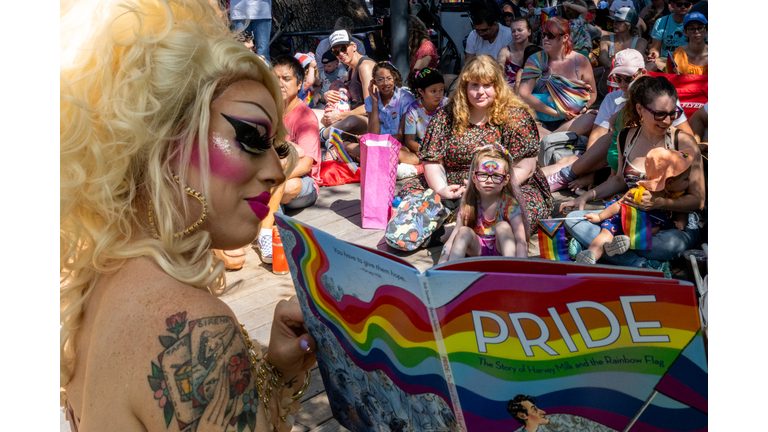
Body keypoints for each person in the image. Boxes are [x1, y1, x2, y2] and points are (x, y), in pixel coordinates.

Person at [60, 0, 316, 431]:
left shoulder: (98, 282)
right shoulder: (195, 332)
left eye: (279, 148)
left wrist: (280, 369)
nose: (277, 170)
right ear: (164, 141)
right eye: (252, 138)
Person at [560, 76, 704, 274]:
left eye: (673, 113)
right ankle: (642, 265)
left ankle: (597, 249)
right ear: (640, 110)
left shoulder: (684, 142)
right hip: (630, 219)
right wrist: (586, 196)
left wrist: (659, 203)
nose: (668, 121)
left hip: (671, 226)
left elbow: (698, 201)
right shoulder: (625, 136)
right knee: (573, 219)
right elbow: (620, 180)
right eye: (660, 114)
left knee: (670, 244)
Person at [398, 55, 553, 236]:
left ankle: (447, 233)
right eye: (474, 85)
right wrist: (441, 189)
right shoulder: (446, 116)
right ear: (465, 87)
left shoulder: (516, 117)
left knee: (521, 210)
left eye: (487, 85)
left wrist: (491, 188)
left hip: (505, 186)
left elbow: (526, 164)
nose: (481, 92)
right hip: (454, 186)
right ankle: (459, 226)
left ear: (498, 86)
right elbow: (432, 160)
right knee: (410, 193)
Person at [544, 49, 692, 193]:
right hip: (614, 159)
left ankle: (553, 178)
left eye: (628, 78)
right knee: (566, 162)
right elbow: (596, 135)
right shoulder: (612, 98)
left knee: (615, 136)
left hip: (647, 157)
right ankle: (529, 178)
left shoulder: (661, 99)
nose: (622, 84)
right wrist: (591, 172)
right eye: (617, 78)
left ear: (644, 73)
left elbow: (686, 137)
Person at [255, 55, 322, 264]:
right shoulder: (268, 109)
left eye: (286, 79)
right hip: (274, 177)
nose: (280, 84)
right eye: (275, 78)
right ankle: (273, 216)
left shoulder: (306, 117)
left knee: (284, 178)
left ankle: (265, 233)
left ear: (300, 84)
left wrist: (274, 175)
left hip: (304, 184)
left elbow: (306, 165)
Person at [574, 148, 693, 264]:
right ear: (670, 182)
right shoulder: (641, 193)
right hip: (626, 220)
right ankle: (591, 255)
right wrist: (600, 217)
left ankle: (621, 244)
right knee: (606, 233)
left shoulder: (674, 195)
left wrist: (680, 221)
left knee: (654, 232)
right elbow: (619, 205)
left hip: (646, 228)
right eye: (686, 179)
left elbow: (681, 210)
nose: (689, 182)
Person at [439, 146, 530, 262]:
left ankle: (510, 270)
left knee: (503, 227)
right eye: (482, 174)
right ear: (473, 177)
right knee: (463, 231)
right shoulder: (469, 203)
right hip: (476, 252)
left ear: (506, 179)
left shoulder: (509, 204)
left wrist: (522, 269)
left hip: (501, 253)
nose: (489, 180)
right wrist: (441, 264)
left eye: (496, 176)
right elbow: (453, 238)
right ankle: (451, 272)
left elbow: (520, 239)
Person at [518, 17, 598, 137]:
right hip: (538, 121)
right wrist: (558, 113)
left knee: (591, 119)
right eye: (543, 35)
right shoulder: (535, 59)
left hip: (569, 122)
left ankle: (547, 139)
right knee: (517, 120)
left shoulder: (581, 61)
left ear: (565, 37)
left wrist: (584, 109)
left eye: (551, 36)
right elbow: (524, 94)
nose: (545, 39)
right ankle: (553, 139)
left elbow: (592, 93)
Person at [319, 30, 375, 147]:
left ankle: (320, 137)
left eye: (343, 48)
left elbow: (370, 107)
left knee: (350, 121)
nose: (340, 54)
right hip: (354, 116)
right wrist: (328, 93)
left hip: (373, 121)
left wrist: (339, 116)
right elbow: (346, 89)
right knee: (312, 114)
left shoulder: (364, 67)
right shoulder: (351, 68)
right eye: (335, 51)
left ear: (354, 46)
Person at [362, 61, 417, 171]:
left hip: (398, 144)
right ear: (374, 82)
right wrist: (374, 102)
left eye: (389, 78)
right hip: (378, 145)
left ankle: (368, 158)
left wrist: (377, 143)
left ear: (395, 79)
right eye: (380, 79)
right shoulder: (370, 100)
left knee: (403, 152)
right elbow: (373, 134)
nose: (385, 83)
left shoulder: (406, 99)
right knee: (353, 146)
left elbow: (401, 137)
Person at [404, 68, 450, 167]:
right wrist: (427, 149)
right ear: (421, 91)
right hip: (423, 147)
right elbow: (409, 141)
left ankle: (426, 165)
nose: (438, 95)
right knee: (401, 151)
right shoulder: (413, 110)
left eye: (441, 90)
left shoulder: (448, 104)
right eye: (433, 91)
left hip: (445, 146)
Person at [598, 7, 648, 96]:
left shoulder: (641, 42)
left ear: (629, 24)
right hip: (607, 87)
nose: (614, 23)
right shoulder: (605, 39)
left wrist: (613, 63)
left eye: (618, 21)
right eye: (614, 20)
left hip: (629, 86)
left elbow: (636, 64)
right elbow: (602, 58)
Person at [646, 0, 692, 71]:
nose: (683, 7)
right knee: (650, 65)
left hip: (688, 61)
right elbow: (655, 48)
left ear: (690, 6)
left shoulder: (694, 23)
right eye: (679, 4)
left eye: (686, 4)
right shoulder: (661, 22)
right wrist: (653, 54)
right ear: (672, 5)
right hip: (665, 61)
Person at [497, 17, 533, 87]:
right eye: (513, 31)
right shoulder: (505, 51)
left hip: (530, 92)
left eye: (520, 30)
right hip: (509, 93)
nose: (516, 34)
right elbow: (498, 75)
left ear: (529, 32)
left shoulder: (537, 50)